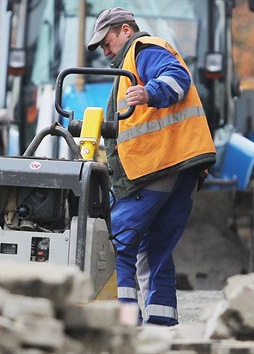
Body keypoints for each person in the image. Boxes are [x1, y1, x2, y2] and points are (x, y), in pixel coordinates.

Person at [86, 7, 216, 326]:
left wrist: (149, 92)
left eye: (107, 40)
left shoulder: (143, 50)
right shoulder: (131, 66)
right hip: (182, 164)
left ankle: (126, 325)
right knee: (155, 248)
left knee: (116, 243)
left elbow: (177, 79)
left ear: (126, 31)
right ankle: (162, 326)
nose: (105, 50)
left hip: (157, 165)